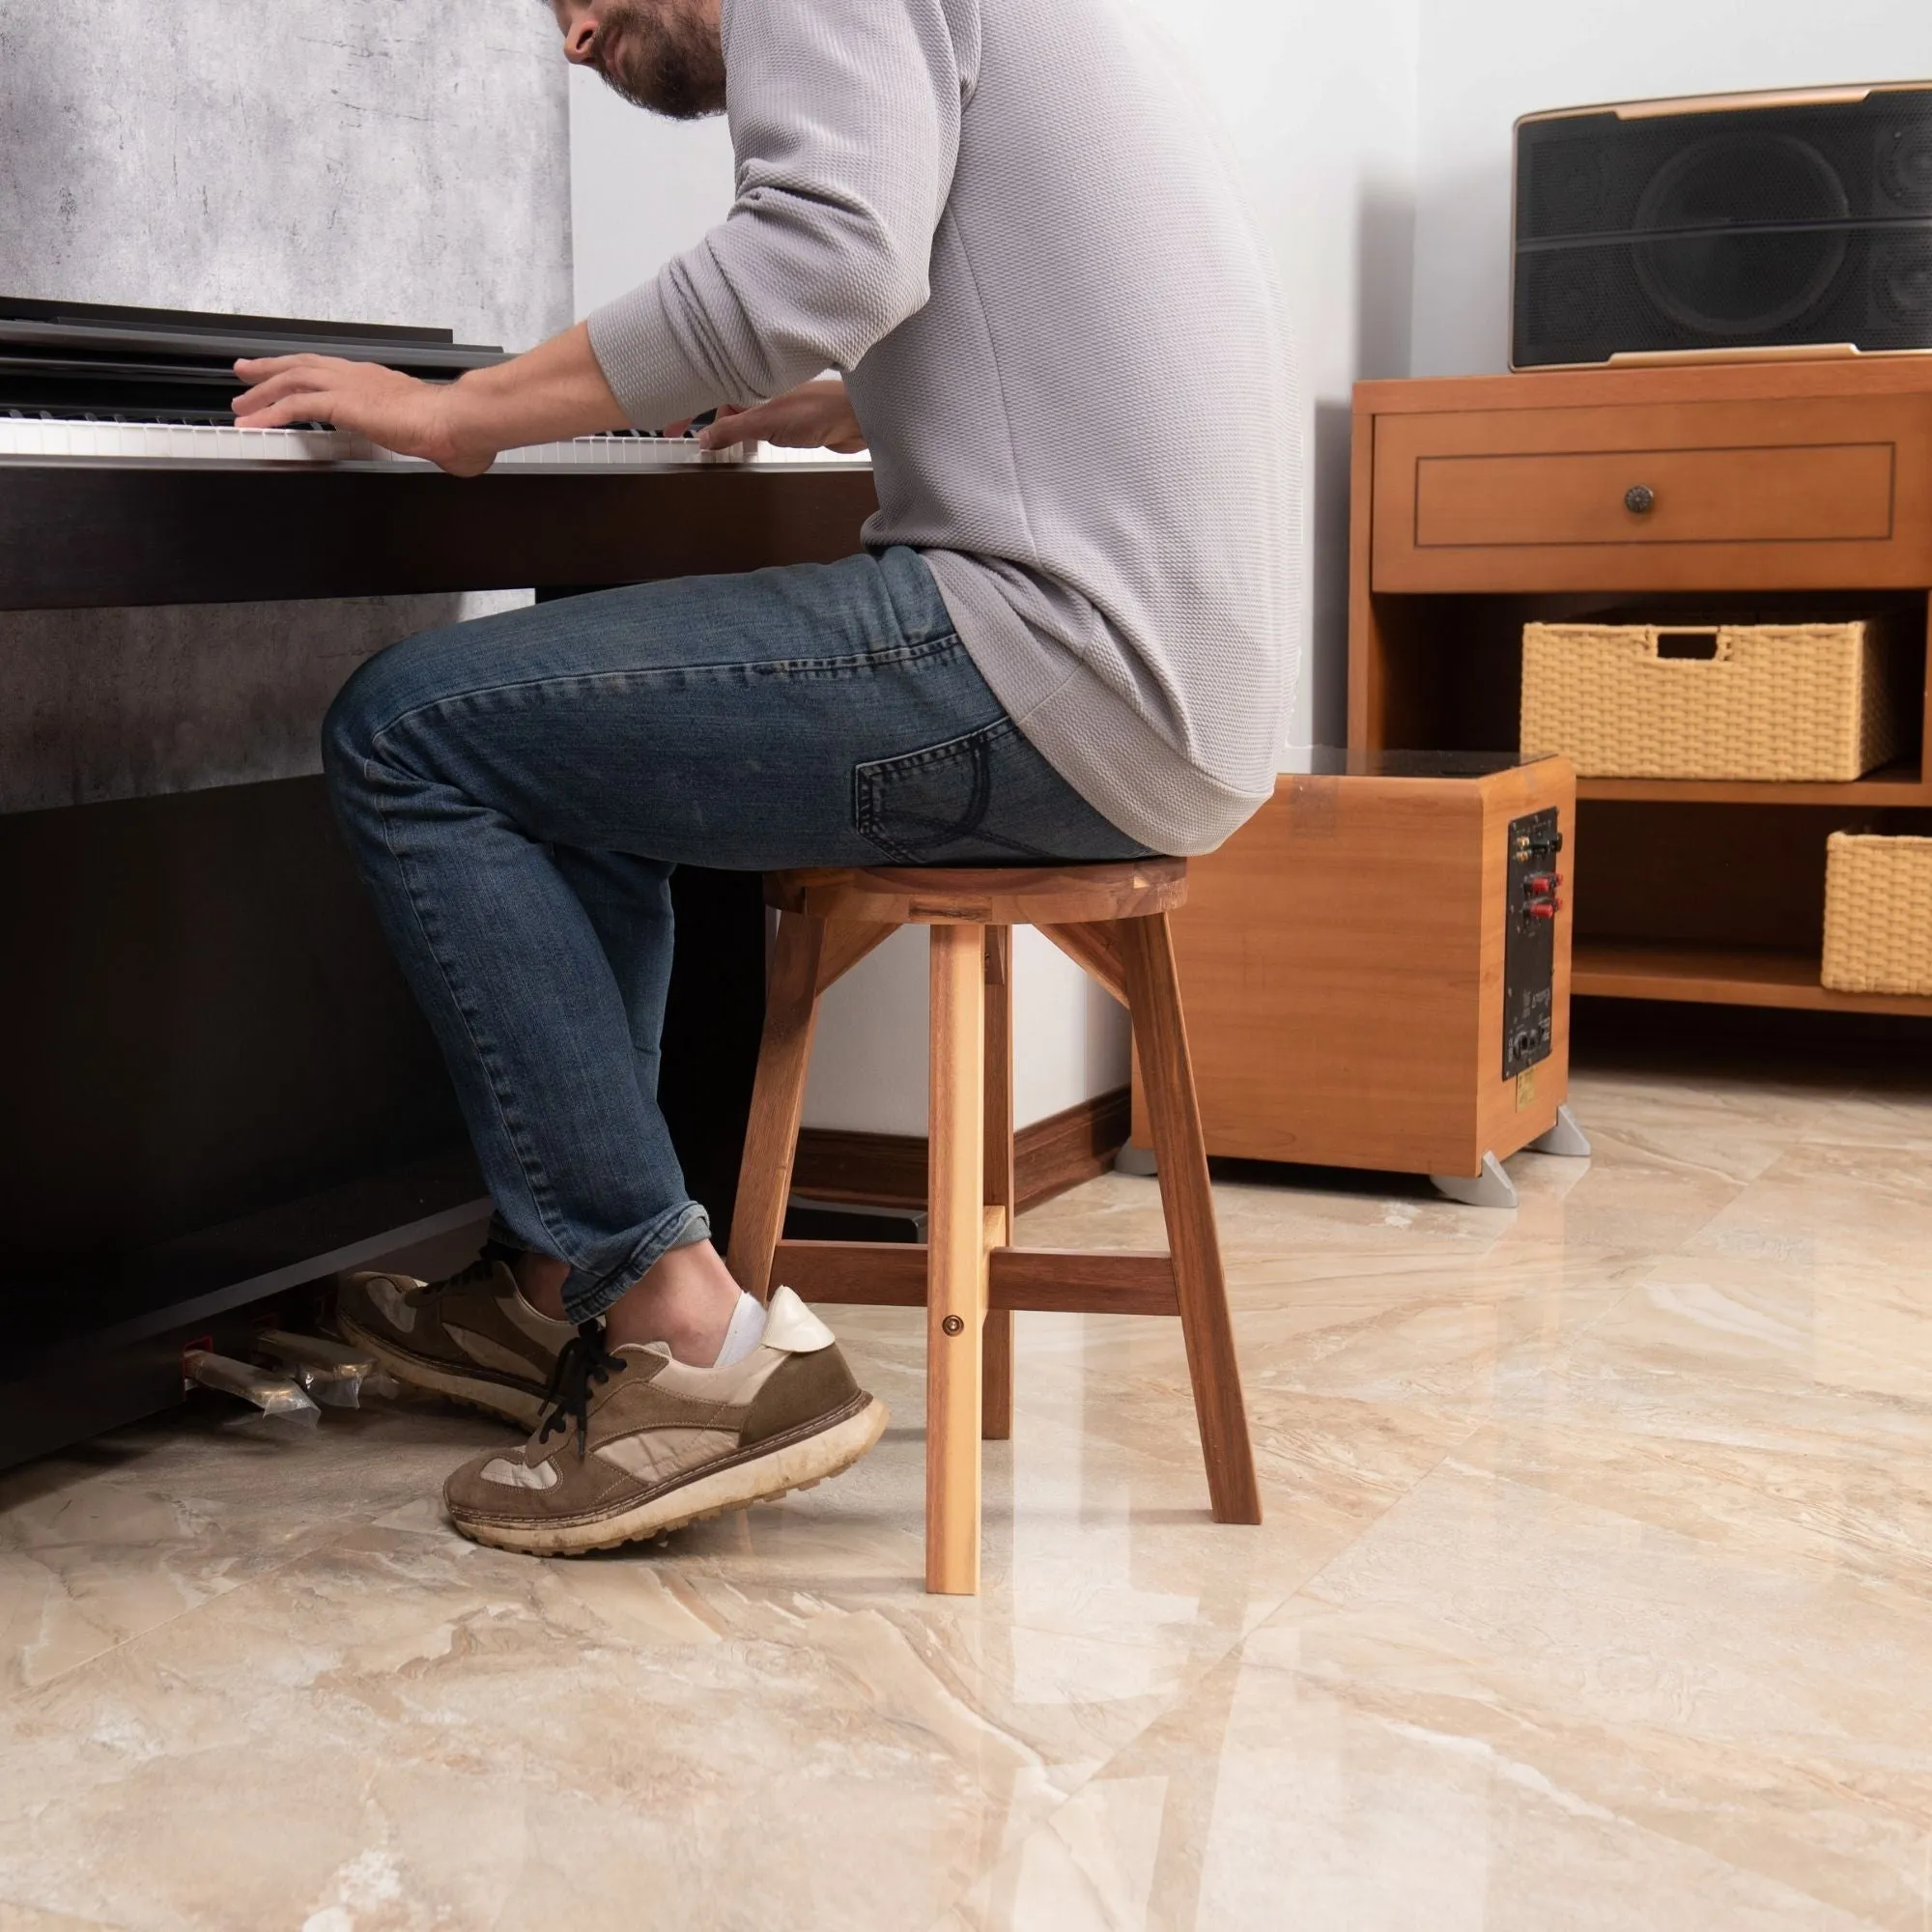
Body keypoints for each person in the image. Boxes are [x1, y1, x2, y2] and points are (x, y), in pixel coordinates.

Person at [232, 0, 1298, 1557]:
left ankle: (680, 1332)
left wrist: (463, 413)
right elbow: (1052, 296)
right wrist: (857, 401)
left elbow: (825, 259)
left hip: (1053, 666)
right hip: (1172, 699)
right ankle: (554, 1287)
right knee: (560, 741)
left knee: (412, 733)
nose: (576, 35)